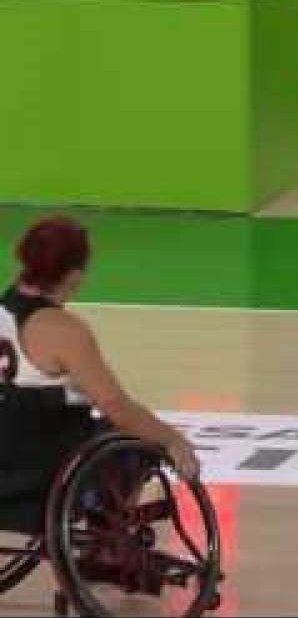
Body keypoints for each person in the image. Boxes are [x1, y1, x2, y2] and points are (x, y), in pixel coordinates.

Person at [0, 216, 199, 533]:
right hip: (40, 471)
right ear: (74, 276)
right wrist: (173, 440)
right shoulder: (62, 330)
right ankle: (108, 542)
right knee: (132, 440)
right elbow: (116, 406)